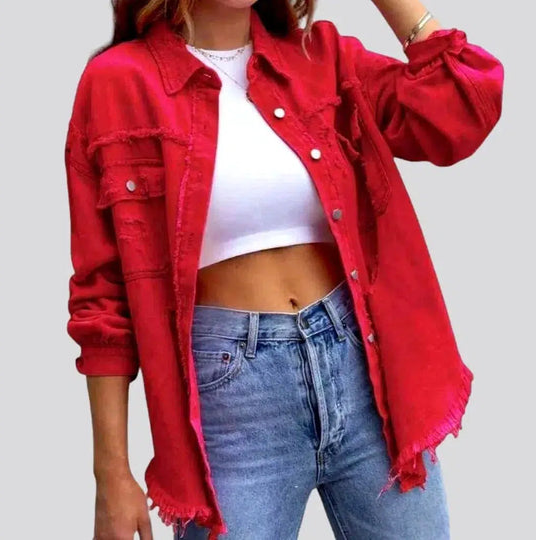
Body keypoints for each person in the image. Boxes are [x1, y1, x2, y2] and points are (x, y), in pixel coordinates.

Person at [63, 0, 504, 538]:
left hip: (364, 377)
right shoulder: (117, 83)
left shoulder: (322, 57)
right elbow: (102, 295)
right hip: (232, 404)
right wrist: (111, 473)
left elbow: (464, 105)